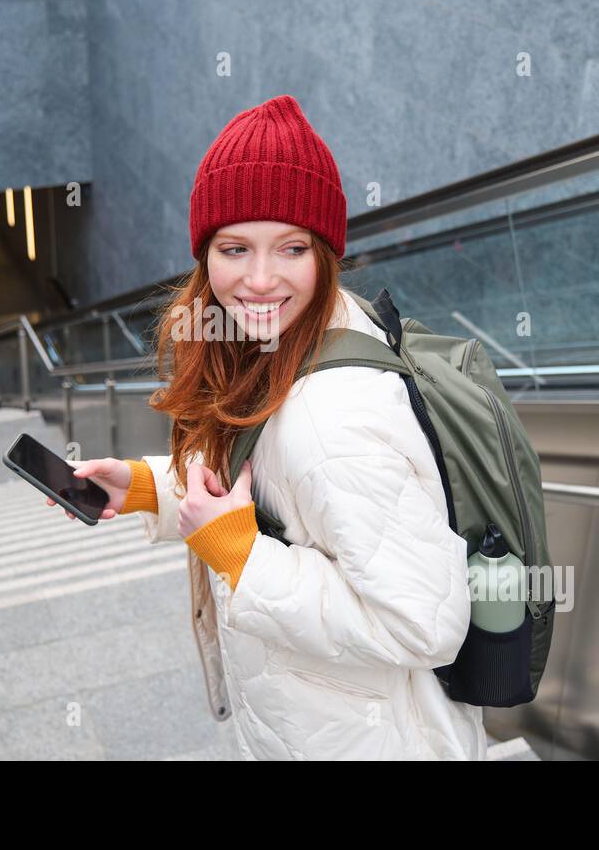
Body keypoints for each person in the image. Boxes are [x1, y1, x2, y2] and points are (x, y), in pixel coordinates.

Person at [44, 94, 484, 760]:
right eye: (234, 247)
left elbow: (424, 623)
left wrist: (239, 555)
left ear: (324, 251)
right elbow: (276, 482)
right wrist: (143, 487)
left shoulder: (334, 421)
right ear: (204, 253)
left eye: (291, 248)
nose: (258, 279)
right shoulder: (292, 334)